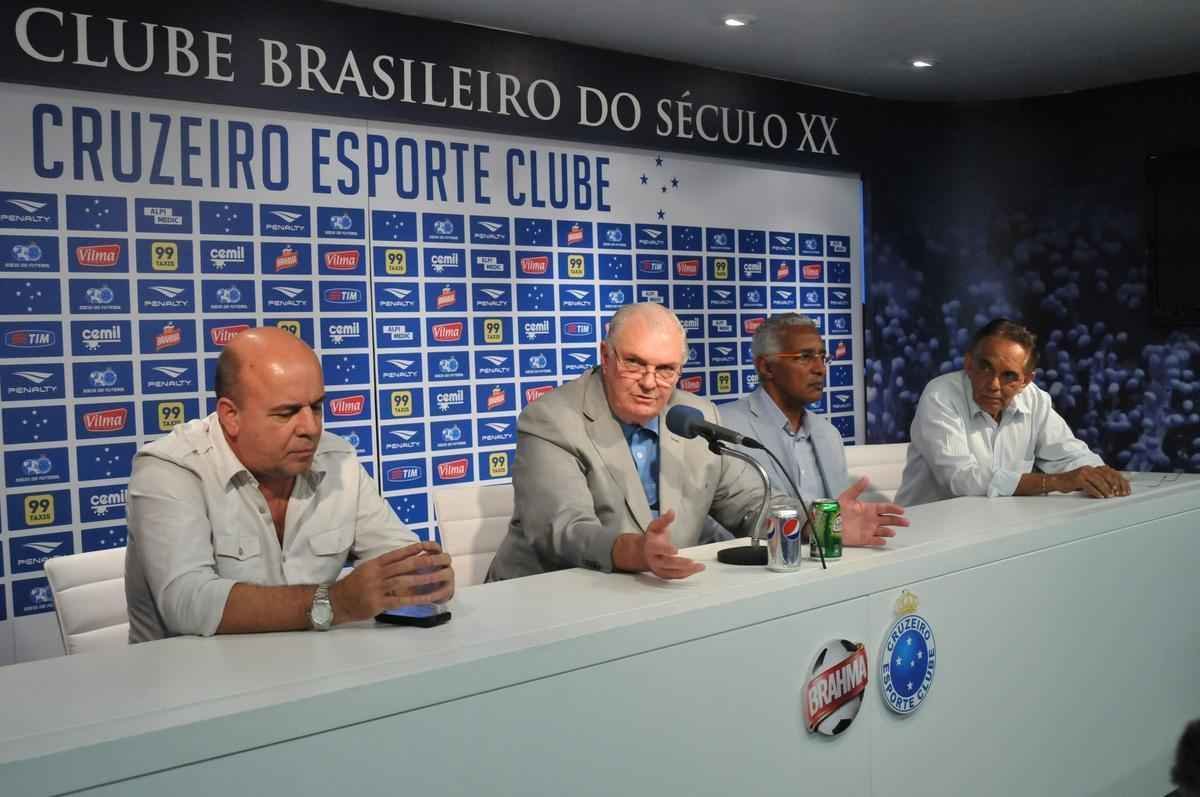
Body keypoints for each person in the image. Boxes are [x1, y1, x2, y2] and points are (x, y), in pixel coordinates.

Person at [125, 327, 454, 642]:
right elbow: (188, 603)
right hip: (187, 687)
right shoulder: (169, 468)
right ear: (230, 416)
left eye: (316, 407)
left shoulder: (337, 458)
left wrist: (423, 577)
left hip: (310, 675)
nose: (310, 427)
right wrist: (334, 602)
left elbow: (400, 562)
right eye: (286, 413)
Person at [486, 302, 763, 582]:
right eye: (634, 363)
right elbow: (565, 529)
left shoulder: (697, 417)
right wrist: (635, 552)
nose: (649, 382)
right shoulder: (552, 418)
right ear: (606, 357)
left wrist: (799, 523)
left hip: (656, 593)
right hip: (548, 594)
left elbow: (752, 503)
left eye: (666, 369)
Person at [896, 318, 1131, 506]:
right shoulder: (940, 395)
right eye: (985, 367)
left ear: (1026, 381)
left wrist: (1098, 473)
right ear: (968, 364)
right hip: (926, 532)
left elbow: (1068, 454)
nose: (993, 384)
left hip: (999, 529)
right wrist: (1057, 481)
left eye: (1009, 375)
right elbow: (961, 480)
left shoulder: (1035, 399)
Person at [721, 313, 908, 546]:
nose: (820, 369)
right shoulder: (726, 427)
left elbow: (840, 516)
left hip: (829, 560)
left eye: (822, 356)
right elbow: (721, 526)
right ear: (767, 367)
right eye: (805, 357)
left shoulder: (828, 434)